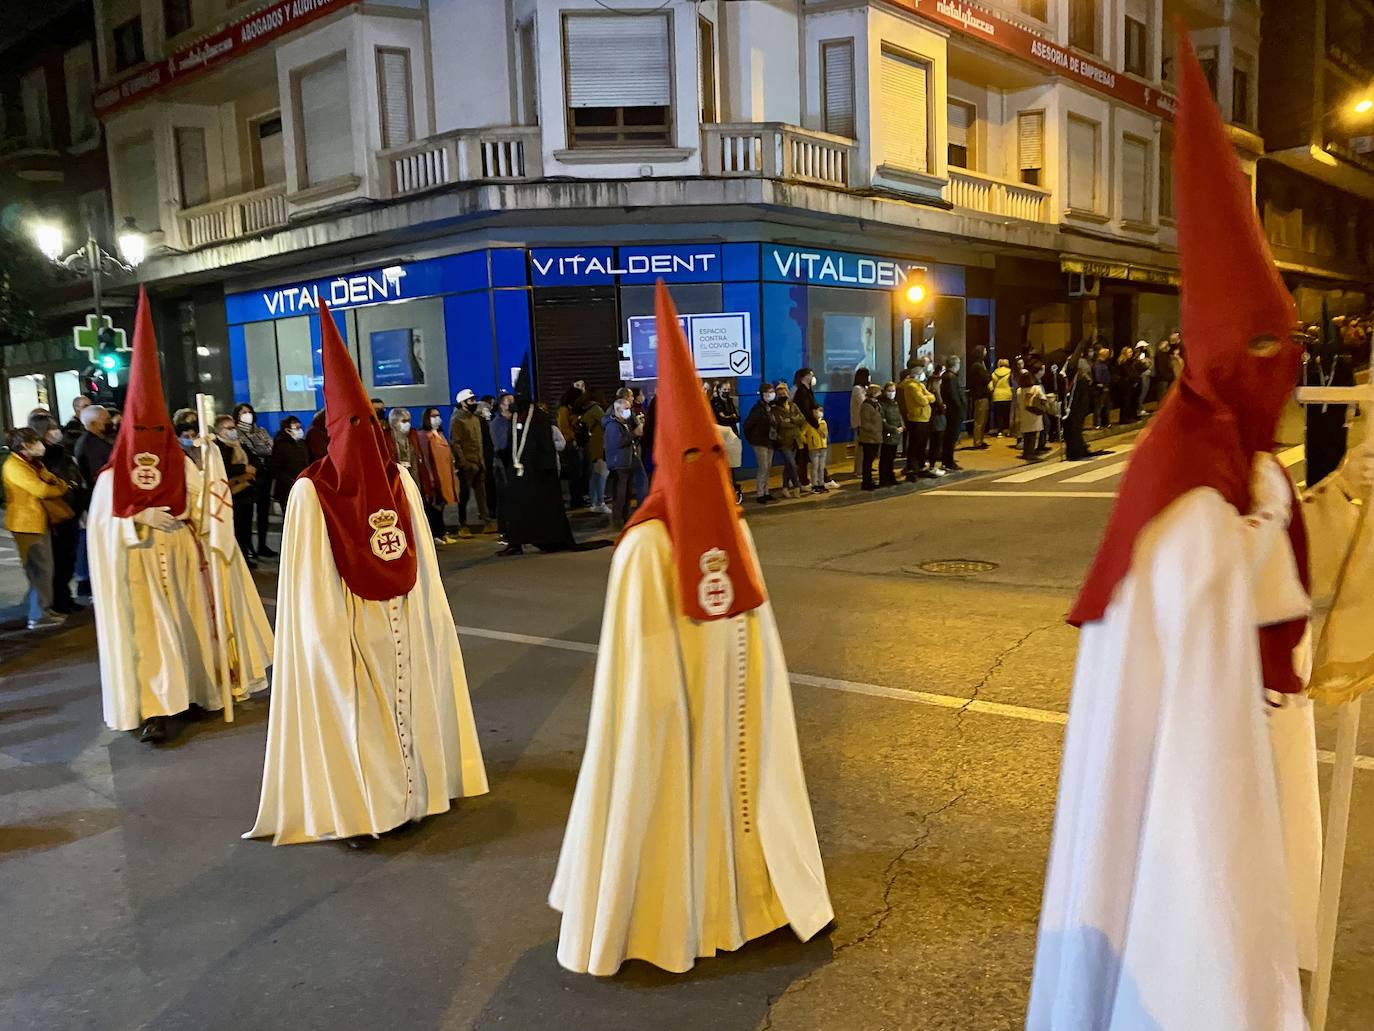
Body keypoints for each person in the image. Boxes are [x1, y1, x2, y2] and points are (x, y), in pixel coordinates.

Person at [1027, 36, 1339, 1027]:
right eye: (1260, 344)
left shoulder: (1220, 459)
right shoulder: (1195, 495)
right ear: (1209, 351)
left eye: (1285, 342)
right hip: (1189, 786)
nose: (1281, 364)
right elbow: (1207, 757)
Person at [551, 283, 832, 976]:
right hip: (675, 717)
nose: (707, 475)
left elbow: (755, 622)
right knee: (677, 800)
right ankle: (666, 911)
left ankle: (748, 902)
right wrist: (670, 714)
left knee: (735, 794)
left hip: (729, 706)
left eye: (714, 457)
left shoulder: (732, 527)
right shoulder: (644, 547)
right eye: (690, 460)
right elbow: (637, 677)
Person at [245, 299, 487, 845]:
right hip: (349, 624)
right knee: (360, 722)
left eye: (372, 422)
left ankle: (413, 795)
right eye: (353, 424)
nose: (367, 432)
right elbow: (308, 579)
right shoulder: (311, 491)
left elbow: (420, 559)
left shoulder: (399, 479)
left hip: (400, 618)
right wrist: (326, 637)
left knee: (405, 712)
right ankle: (363, 812)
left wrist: (428, 619)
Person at [87, 288, 271, 743]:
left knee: (190, 633)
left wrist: (210, 472)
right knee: (152, 640)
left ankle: (195, 694)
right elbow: (100, 527)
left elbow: (206, 502)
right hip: (140, 567)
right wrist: (136, 520)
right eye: (141, 431)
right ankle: (155, 709)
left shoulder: (184, 462)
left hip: (187, 561)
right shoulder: (112, 476)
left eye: (157, 430)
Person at [499, 364, 577, 556]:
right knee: (515, 507)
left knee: (540, 507)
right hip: (518, 472)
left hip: (536, 473)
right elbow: (512, 442)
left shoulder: (539, 417)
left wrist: (544, 468)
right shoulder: (516, 416)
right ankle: (515, 542)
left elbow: (546, 446)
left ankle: (546, 539)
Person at [4, 427, 70, 630]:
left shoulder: (32, 464)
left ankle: (42, 608)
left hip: (37, 522)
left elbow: (53, 480)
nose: (40, 445)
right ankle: (38, 615)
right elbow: (41, 489)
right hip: (27, 525)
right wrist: (59, 488)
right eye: (35, 442)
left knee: (44, 569)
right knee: (39, 570)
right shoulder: (14, 466)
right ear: (25, 446)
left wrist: (57, 484)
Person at [27, 413, 83, 613]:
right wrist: (62, 488)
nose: (55, 431)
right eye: (51, 427)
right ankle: (56, 601)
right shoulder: (38, 458)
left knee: (68, 558)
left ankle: (65, 597)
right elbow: (44, 487)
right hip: (54, 514)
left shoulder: (60, 452)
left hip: (70, 510)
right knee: (56, 561)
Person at [214, 414, 259, 568]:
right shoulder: (218, 448)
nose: (234, 431)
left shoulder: (239, 444)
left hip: (246, 490)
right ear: (220, 430)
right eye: (229, 428)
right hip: (231, 492)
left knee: (246, 527)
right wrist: (242, 469)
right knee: (237, 527)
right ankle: (239, 559)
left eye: (234, 427)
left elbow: (254, 461)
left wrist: (251, 470)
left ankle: (246, 555)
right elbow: (223, 469)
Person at [449, 389, 494, 537]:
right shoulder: (457, 420)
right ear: (462, 403)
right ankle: (463, 525)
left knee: (482, 495)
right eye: (471, 400)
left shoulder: (475, 419)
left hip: (478, 463)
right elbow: (456, 443)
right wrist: (464, 463)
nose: (474, 403)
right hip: (467, 464)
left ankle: (487, 522)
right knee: (465, 495)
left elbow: (479, 442)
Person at [234, 403, 276, 558]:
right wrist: (258, 445)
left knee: (263, 511)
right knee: (248, 513)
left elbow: (268, 448)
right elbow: (252, 450)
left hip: (265, 474)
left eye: (249, 412)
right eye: (243, 412)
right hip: (250, 476)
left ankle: (262, 545)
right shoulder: (237, 433)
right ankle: (248, 546)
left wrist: (257, 444)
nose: (247, 415)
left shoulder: (260, 430)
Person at [417, 406, 458, 544]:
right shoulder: (424, 436)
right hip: (433, 476)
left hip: (444, 476)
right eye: (433, 416)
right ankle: (436, 534)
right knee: (433, 506)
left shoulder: (439, 434)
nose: (437, 419)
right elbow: (425, 458)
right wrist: (430, 476)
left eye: (438, 415)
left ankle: (441, 533)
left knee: (441, 504)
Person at [603, 394, 639, 527]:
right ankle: (618, 520)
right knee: (620, 495)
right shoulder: (613, 426)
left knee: (626, 493)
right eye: (625, 409)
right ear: (617, 411)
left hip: (626, 462)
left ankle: (626, 518)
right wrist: (634, 434)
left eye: (629, 408)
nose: (628, 411)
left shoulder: (624, 424)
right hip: (619, 463)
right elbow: (618, 442)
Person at [743, 383, 780, 503]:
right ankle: (760, 493)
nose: (770, 394)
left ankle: (766, 491)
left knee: (768, 467)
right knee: (763, 467)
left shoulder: (771, 407)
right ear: (762, 394)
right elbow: (748, 425)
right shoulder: (758, 409)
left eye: (772, 392)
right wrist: (752, 438)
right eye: (767, 392)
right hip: (760, 442)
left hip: (770, 441)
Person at [898, 366, 935, 481]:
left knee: (922, 445)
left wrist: (927, 397)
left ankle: (921, 466)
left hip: (924, 418)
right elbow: (923, 400)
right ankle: (912, 469)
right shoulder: (911, 386)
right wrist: (927, 397)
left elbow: (931, 396)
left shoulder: (920, 385)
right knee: (915, 445)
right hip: (916, 418)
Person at [557, 386, 589, 509]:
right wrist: (574, 435)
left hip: (577, 443)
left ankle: (579, 497)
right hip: (571, 444)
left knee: (580, 472)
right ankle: (575, 499)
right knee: (574, 473)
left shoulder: (574, 410)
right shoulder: (564, 410)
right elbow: (564, 427)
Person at [270, 415, 311, 511]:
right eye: (297, 428)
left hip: (302, 486)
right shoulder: (281, 445)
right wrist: (290, 480)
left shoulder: (302, 443)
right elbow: (275, 468)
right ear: (287, 430)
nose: (300, 430)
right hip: (286, 489)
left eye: (300, 427)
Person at [772, 381, 804, 499]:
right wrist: (792, 421)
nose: (782, 395)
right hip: (783, 441)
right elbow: (780, 423)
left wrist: (790, 420)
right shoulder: (775, 408)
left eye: (783, 393)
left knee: (788, 466)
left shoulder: (793, 406)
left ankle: (785, 488)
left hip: (795, 439)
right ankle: (796, 486)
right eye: (779, 394)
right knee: (792, 464)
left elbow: (801, 418)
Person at [580, 393, 609, 515]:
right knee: (602, 473)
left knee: (595, 474)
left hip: (590, 445)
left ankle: (594, 502)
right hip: (598, 444)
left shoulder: (584, 410)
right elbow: (605, 423)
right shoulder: (596, 409)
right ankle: (600, 502)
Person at [74, 403, 114, 490]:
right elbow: (98, 474)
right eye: (107, 420)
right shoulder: (88, 445)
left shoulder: (104, 438)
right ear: (93, 424)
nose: (111, 422)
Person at [793, 368, 819, 487]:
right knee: (803, 455)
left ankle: (805, 480)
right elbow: (806, 410)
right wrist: (816, 424)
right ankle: (803, 481)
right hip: (805, 428)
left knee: (806, 454)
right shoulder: (801, 391)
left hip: (808, 426)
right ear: (805, 377)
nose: (813, 377)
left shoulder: (808, 390)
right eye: (811, 375)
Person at [939, 354, 965, 470]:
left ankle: (947, 460)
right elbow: (953, 395)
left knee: (950, 436)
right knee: (951, 436)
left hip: (952, 410)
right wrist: (960, 407)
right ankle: (948, 461)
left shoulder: (947, 376)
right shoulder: (950, 377)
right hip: (954, 411)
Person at [1014, 370, 1045, 462]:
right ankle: (1030, 453)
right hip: (1034, 414)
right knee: (1033, 435)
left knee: (1027, 434)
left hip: (1024, 414)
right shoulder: (1036, 388)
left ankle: (1026, 452)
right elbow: (1043, 398)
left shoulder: (1019, 390)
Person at [857, 383, 883, 491]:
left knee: (871, 459)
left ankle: (870, 480)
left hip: (876, 436)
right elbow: (865, 423)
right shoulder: (866, 406)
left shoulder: (876, 404)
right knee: (867, 460)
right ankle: (866, 482)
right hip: (869, 437)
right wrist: (875, 430)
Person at [877, 380, 903, 486]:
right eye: (889, 391)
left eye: (893, 390)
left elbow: (898, 415)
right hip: (888, 433)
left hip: (896, 433)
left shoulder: (895, 402)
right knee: (885, 457)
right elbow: (882, 420)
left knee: (891, 456)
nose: (891, 393)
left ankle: (890, 477)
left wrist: (902, 425)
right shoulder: (882, 404)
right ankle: (884, 478)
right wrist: (892, 429)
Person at [800, 403, 829, 493]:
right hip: (814, 448)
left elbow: (825, 434)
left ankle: (821, 484)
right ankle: (814, 485)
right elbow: (801, 434)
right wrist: (808, 441)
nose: (819, 412)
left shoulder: (823, 423)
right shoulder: (809, 424)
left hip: (823, 447)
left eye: (821, 410)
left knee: (821, 467)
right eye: (817, 410)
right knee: (815, 467)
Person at [967, 346, 992, 448]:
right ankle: (977, 441)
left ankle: (980, 440)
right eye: (985, 351)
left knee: (983, 419)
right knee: (980, 419)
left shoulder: (979, 364)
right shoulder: (977, 366)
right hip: (980, 395)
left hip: (982, 395)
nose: (986, 352)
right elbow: (986, 378)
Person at [990, 358, 1013, 436]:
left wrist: (993, 390)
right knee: (1007, 414)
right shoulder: (1010, 372)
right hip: (1008, 395)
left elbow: (991, 384)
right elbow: (1011, 383)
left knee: (999, 415)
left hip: (997, 396)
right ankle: (1007, 430)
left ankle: (999, 431)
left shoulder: (994, 373)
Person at [1092, 345, 1112, 429]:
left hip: (1105, 386)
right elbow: (1098, 376)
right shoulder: (1098, 364)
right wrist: (1102, 384)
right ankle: (1097, 423)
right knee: (1099, 406)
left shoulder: (1104, 364)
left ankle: (1105, 422)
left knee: (1106, 406)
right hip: (1100, 388)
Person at [849, 367, 870, 444]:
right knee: (860, 444)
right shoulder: (857, 389)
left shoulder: (865, 388)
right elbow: (863, 402)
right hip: (859, 421)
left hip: (866, 421)